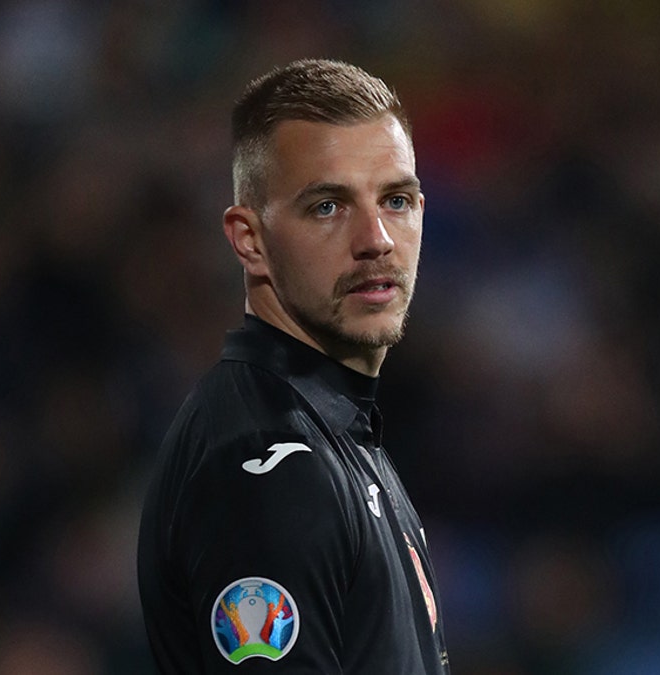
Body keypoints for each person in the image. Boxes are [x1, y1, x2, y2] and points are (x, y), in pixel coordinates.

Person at [137, 59, 449, 673]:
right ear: (249, 240)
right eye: (328, 206)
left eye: (396, 199)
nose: (377, 238)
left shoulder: (334, 431)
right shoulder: (268, 467)